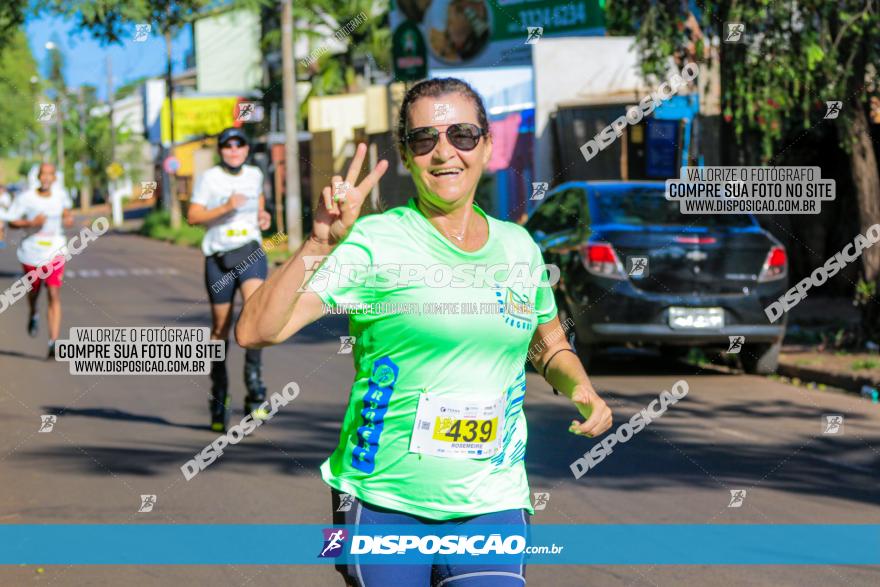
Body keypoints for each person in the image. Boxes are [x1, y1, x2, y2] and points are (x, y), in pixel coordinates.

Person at [236, 78, 613, 586]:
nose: (444, 152)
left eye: (461, 134)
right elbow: (256, 330)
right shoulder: (375, 242)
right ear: (407, 155)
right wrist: (318, 242)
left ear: (486, 145)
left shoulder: (518, 247)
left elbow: (547, 343)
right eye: (423, 140)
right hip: (383, 499)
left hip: (492, 497)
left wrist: (579, 386)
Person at [187, 127, 272, 432]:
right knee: (220, 329)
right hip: (218, 257)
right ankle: (219, 394)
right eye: (228, 146)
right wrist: (226, 206)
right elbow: (193, 216)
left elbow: (260, 208)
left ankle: (255, 386)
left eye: (239, 145)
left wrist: (264, 218)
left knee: (256, 315)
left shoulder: (254, 175)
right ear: (221, 150)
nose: (234, 150)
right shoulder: (210, 179)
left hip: (250, 251)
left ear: (246, 150)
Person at [2, 163, 73, 358]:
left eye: (51, 174)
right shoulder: (26, 198)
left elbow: (66, 211)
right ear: (38, 176)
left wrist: (68, 218)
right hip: (31, 251)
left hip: (55, 249)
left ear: (54, 178)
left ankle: (53, 342)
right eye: (44, 174)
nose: (47, 178)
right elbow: (11, 221)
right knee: (34, 291)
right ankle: (33, 312)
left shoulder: (61, 195)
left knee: (53, 292)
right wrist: (31, 223)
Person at [0, 183, 11, 249]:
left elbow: (8, 206)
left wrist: (2, 205)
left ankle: (1, 241)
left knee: (1, 229)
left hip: (3, 215)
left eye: (1, 189)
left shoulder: (6, 196)